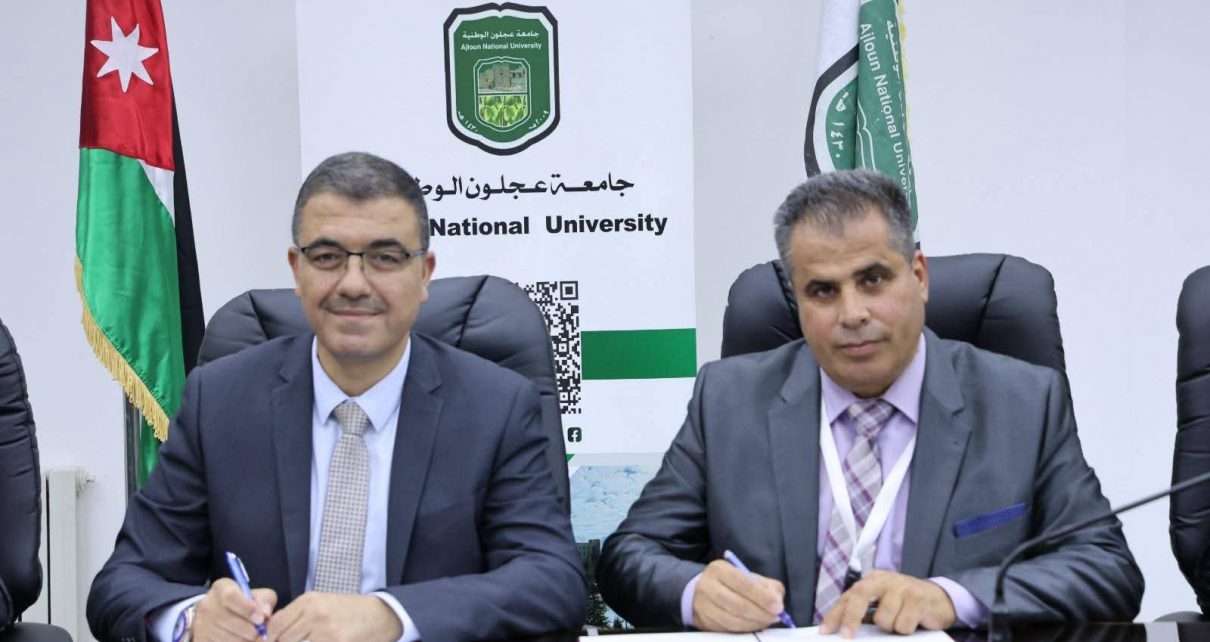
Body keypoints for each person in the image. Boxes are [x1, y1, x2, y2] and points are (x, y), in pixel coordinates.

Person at [596, 169, 1143, 637]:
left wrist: (953, 597)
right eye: (823, 291)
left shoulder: (1022, 403)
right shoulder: (728, 400)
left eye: (873, 279)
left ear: (919, 277)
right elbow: (628, 556)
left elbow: (1106, 570)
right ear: (798, 299)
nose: (852, 313)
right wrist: (694, 590)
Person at [87, 152, 586, 642]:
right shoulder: (218, 401)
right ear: (296, 269)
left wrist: (391, 616)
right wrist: (194, 618)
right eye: (327, 257)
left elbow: (551, 580)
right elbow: (123, 583)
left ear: (424, 273)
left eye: (385, 258)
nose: (352, 284)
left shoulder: (496, 406)